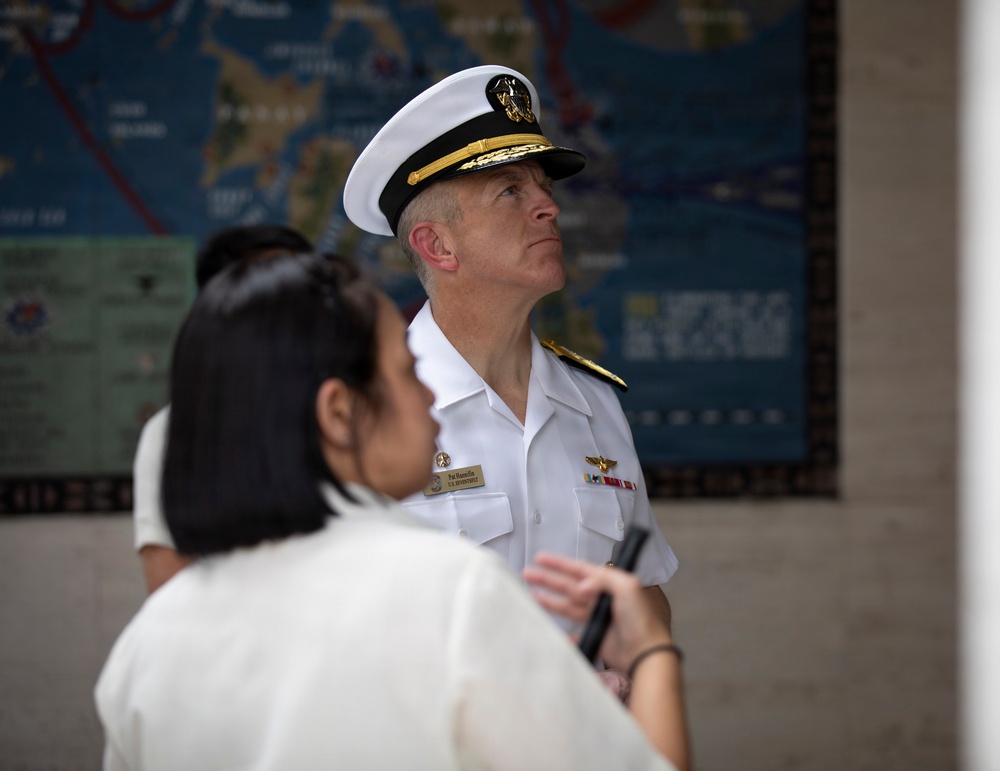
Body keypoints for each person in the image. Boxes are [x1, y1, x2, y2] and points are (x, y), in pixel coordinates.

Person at [94, 251, 691, 770]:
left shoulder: (148, 644)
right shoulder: (449, 593)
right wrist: (650, 655)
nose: (433, 395)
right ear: (337, 413)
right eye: (408, 373)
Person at [342, 66, 678, 639]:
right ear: (437, 244)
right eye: (510, 191)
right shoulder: (360, 411)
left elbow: (643, 589)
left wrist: (627, 660)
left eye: (544, 189)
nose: (548, 207)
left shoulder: (595, 403)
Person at [132, 224, 312, 593]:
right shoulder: (174, 431)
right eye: (273, 291)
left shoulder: (352, 412)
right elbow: (167, 586)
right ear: (223, 307)